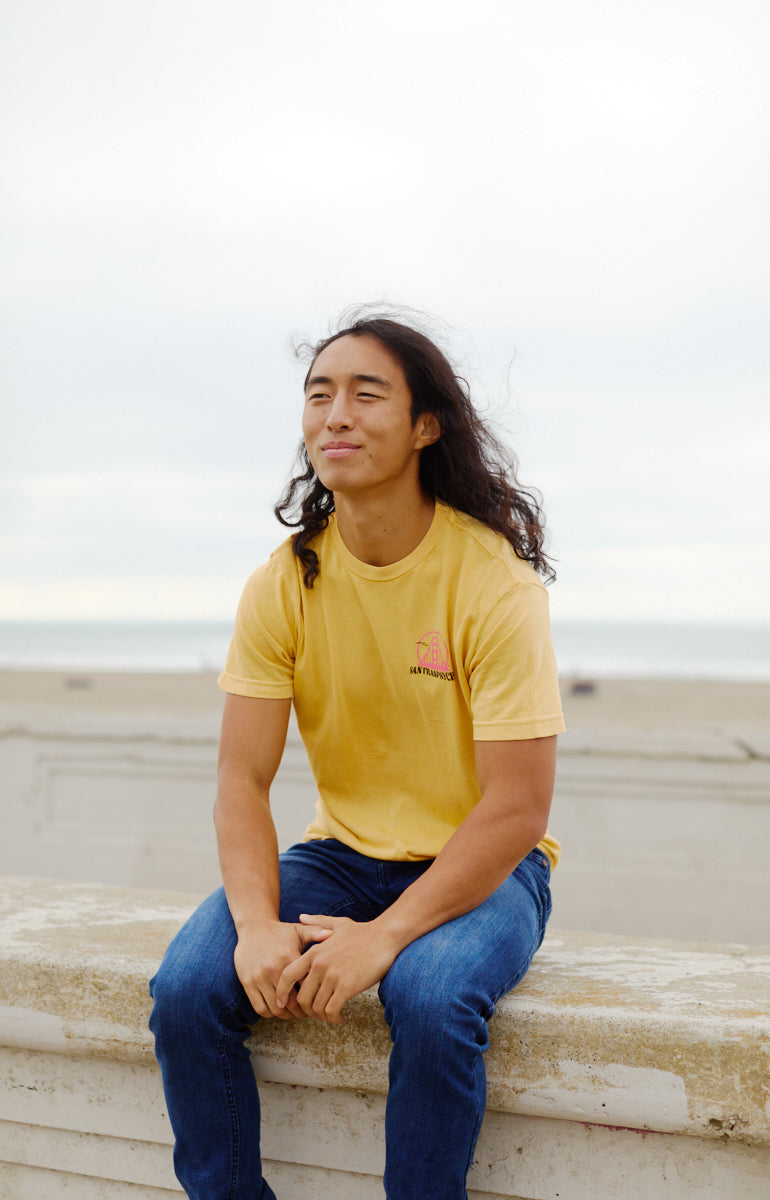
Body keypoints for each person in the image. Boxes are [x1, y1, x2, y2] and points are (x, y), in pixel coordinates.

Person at [149, 311, 565, 1200]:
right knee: (187, 988)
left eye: (366, 394)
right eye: (319, 394)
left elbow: (518, 807)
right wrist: (257, 927)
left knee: (430, 998)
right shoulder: (284, 581)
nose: (335, 414)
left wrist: (385, 938)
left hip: (486, 867)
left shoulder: (493, 583)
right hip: (338, 858)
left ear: (425, 427)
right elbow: (241, 778)